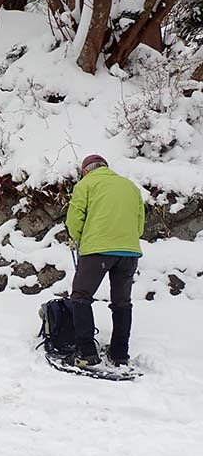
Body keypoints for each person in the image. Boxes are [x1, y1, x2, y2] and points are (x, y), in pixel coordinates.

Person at [66, 154, 145, 367]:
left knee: (81, 296)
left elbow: (74, 219)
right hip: (129, 252)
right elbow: (140, 223)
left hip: (97, 250)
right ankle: (120, 353)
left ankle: (86, 352)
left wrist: (79, 239)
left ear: (85, 171)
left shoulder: (86, 184)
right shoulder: (130, 186)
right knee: (122, 302)